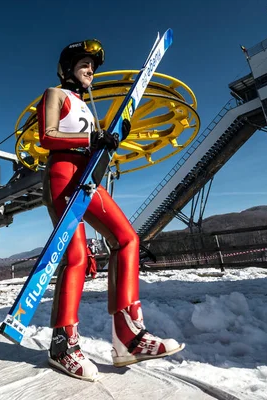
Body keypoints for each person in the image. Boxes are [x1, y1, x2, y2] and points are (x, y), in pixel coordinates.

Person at [39, 39, 184, 381]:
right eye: (84, 64)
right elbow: (47, 136)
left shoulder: (86, 107)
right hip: (62, 175)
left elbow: (93, 142)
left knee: (127, 238)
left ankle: (128, 336)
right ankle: (62, 345)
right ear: (68, 68)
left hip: (89, 177)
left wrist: (111, 139)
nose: (90, 70)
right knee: (75, 256)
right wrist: (90, 141)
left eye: (93, 66)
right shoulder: (55, 94)